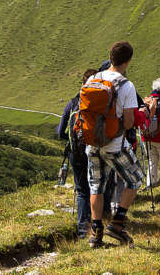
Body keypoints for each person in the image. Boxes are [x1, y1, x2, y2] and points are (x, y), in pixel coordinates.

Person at [86, 41, 144, 248]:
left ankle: (96, 233)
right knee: (136, 179)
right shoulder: (127, 86)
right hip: (115, 144)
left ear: (110, 57)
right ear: (128, 61)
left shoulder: (93, 78)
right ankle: (117, 224)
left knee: (96, 186)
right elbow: (129, 122)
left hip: (92, 143)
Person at [56, 68, 98, 238]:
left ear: (82, 83)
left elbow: (60, 131)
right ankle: (97, 225)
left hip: (76, 152)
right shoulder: (98, 103)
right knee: (96, 187)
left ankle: (82, 230)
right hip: (94, 151)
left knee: (81, 190)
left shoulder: (73, 102)